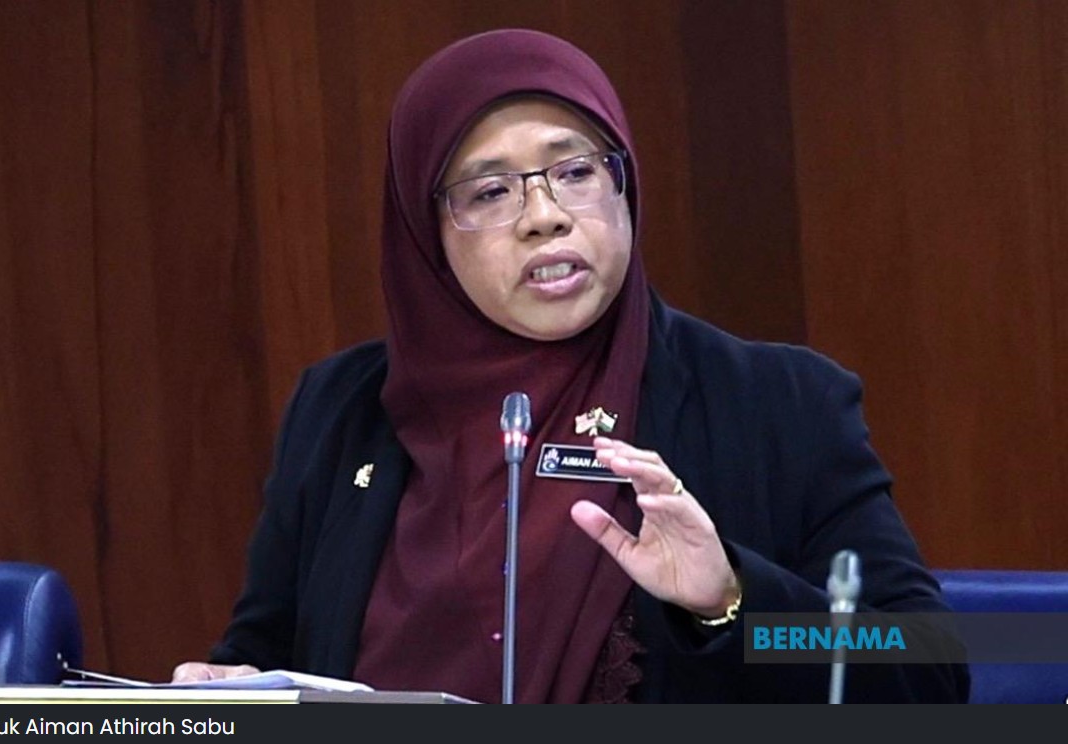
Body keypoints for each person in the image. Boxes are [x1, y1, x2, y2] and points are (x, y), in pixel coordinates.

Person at [173, 28, 969, 703]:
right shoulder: (340, 410)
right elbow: (262, 655)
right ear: (424, 232)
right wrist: (225, 692)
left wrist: (730, 598)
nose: (544, 216)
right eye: (489, 192)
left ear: (623, 185)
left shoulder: (775, 403)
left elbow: (929, 672)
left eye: (575, 171)